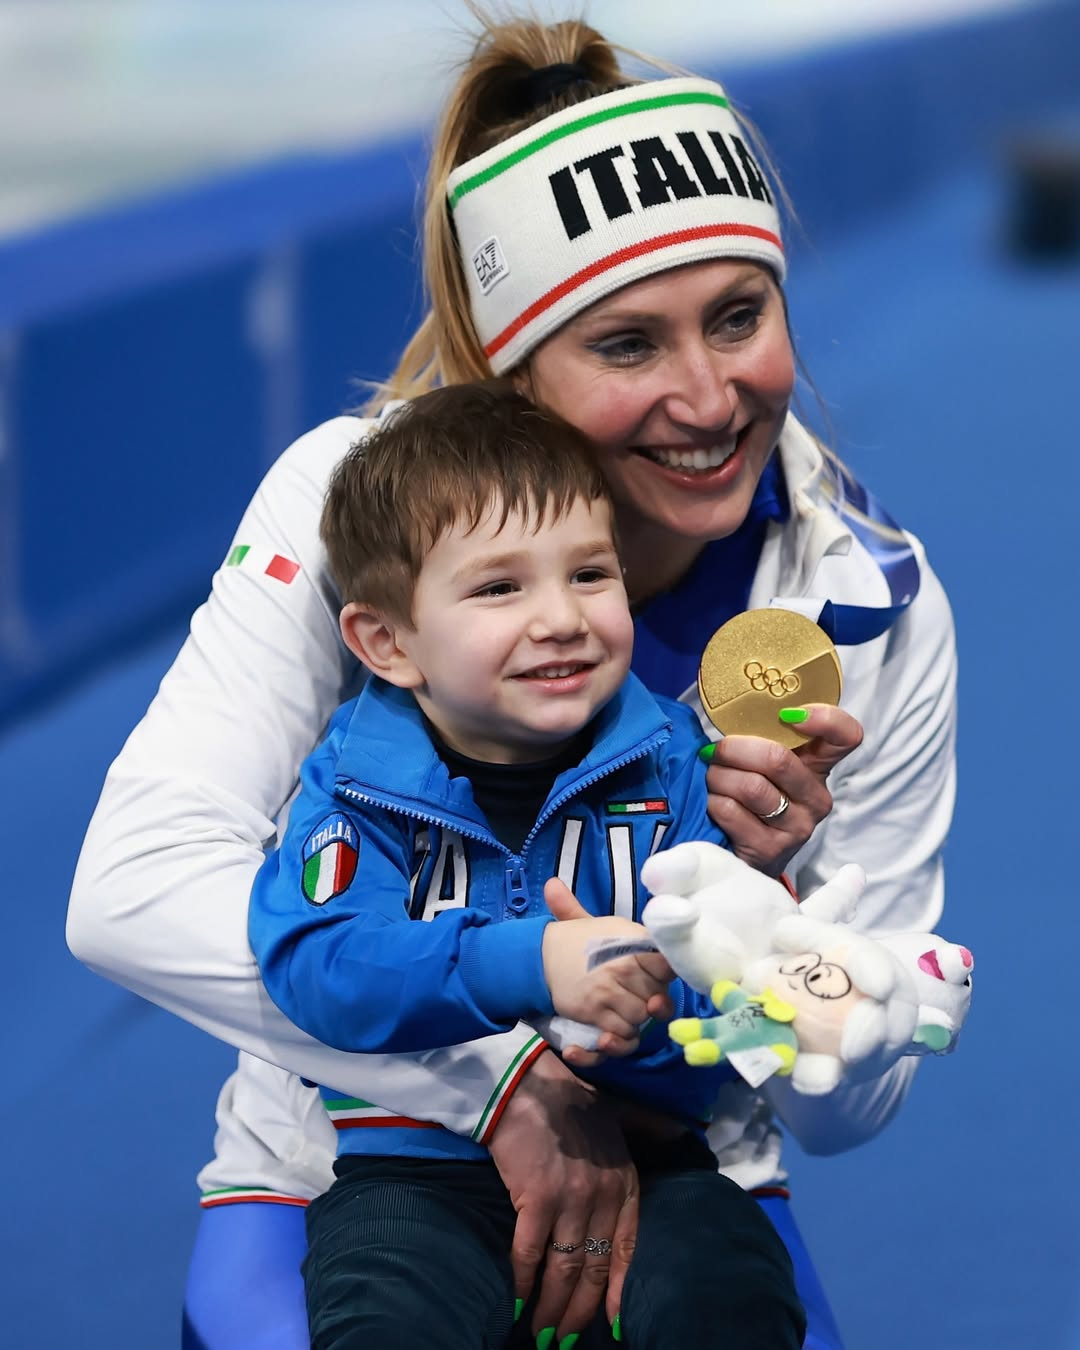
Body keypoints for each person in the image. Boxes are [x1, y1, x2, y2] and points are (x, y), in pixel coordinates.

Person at [66, 11, 957, 1350]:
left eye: (739, 316)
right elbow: (131, 890)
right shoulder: (352, 502)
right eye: (626, 345)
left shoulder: (868, 601)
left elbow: (847, 1113)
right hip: (343, 1165)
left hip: (687, 1178)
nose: (707, 397)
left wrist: (782, 939)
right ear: (509, 369)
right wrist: (501, 1083)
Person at [249, 379, 806, 1348]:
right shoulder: (355, 786)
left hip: (651, 1162)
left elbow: (737, 994)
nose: (561, 618)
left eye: (589, 573)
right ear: (387, 641)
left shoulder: (679, 765)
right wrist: (529, 962)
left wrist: (651, 1022)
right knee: (385, 1320)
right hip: (413, 1170)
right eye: (500, 588)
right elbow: (317, 962)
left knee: (731, 1295)